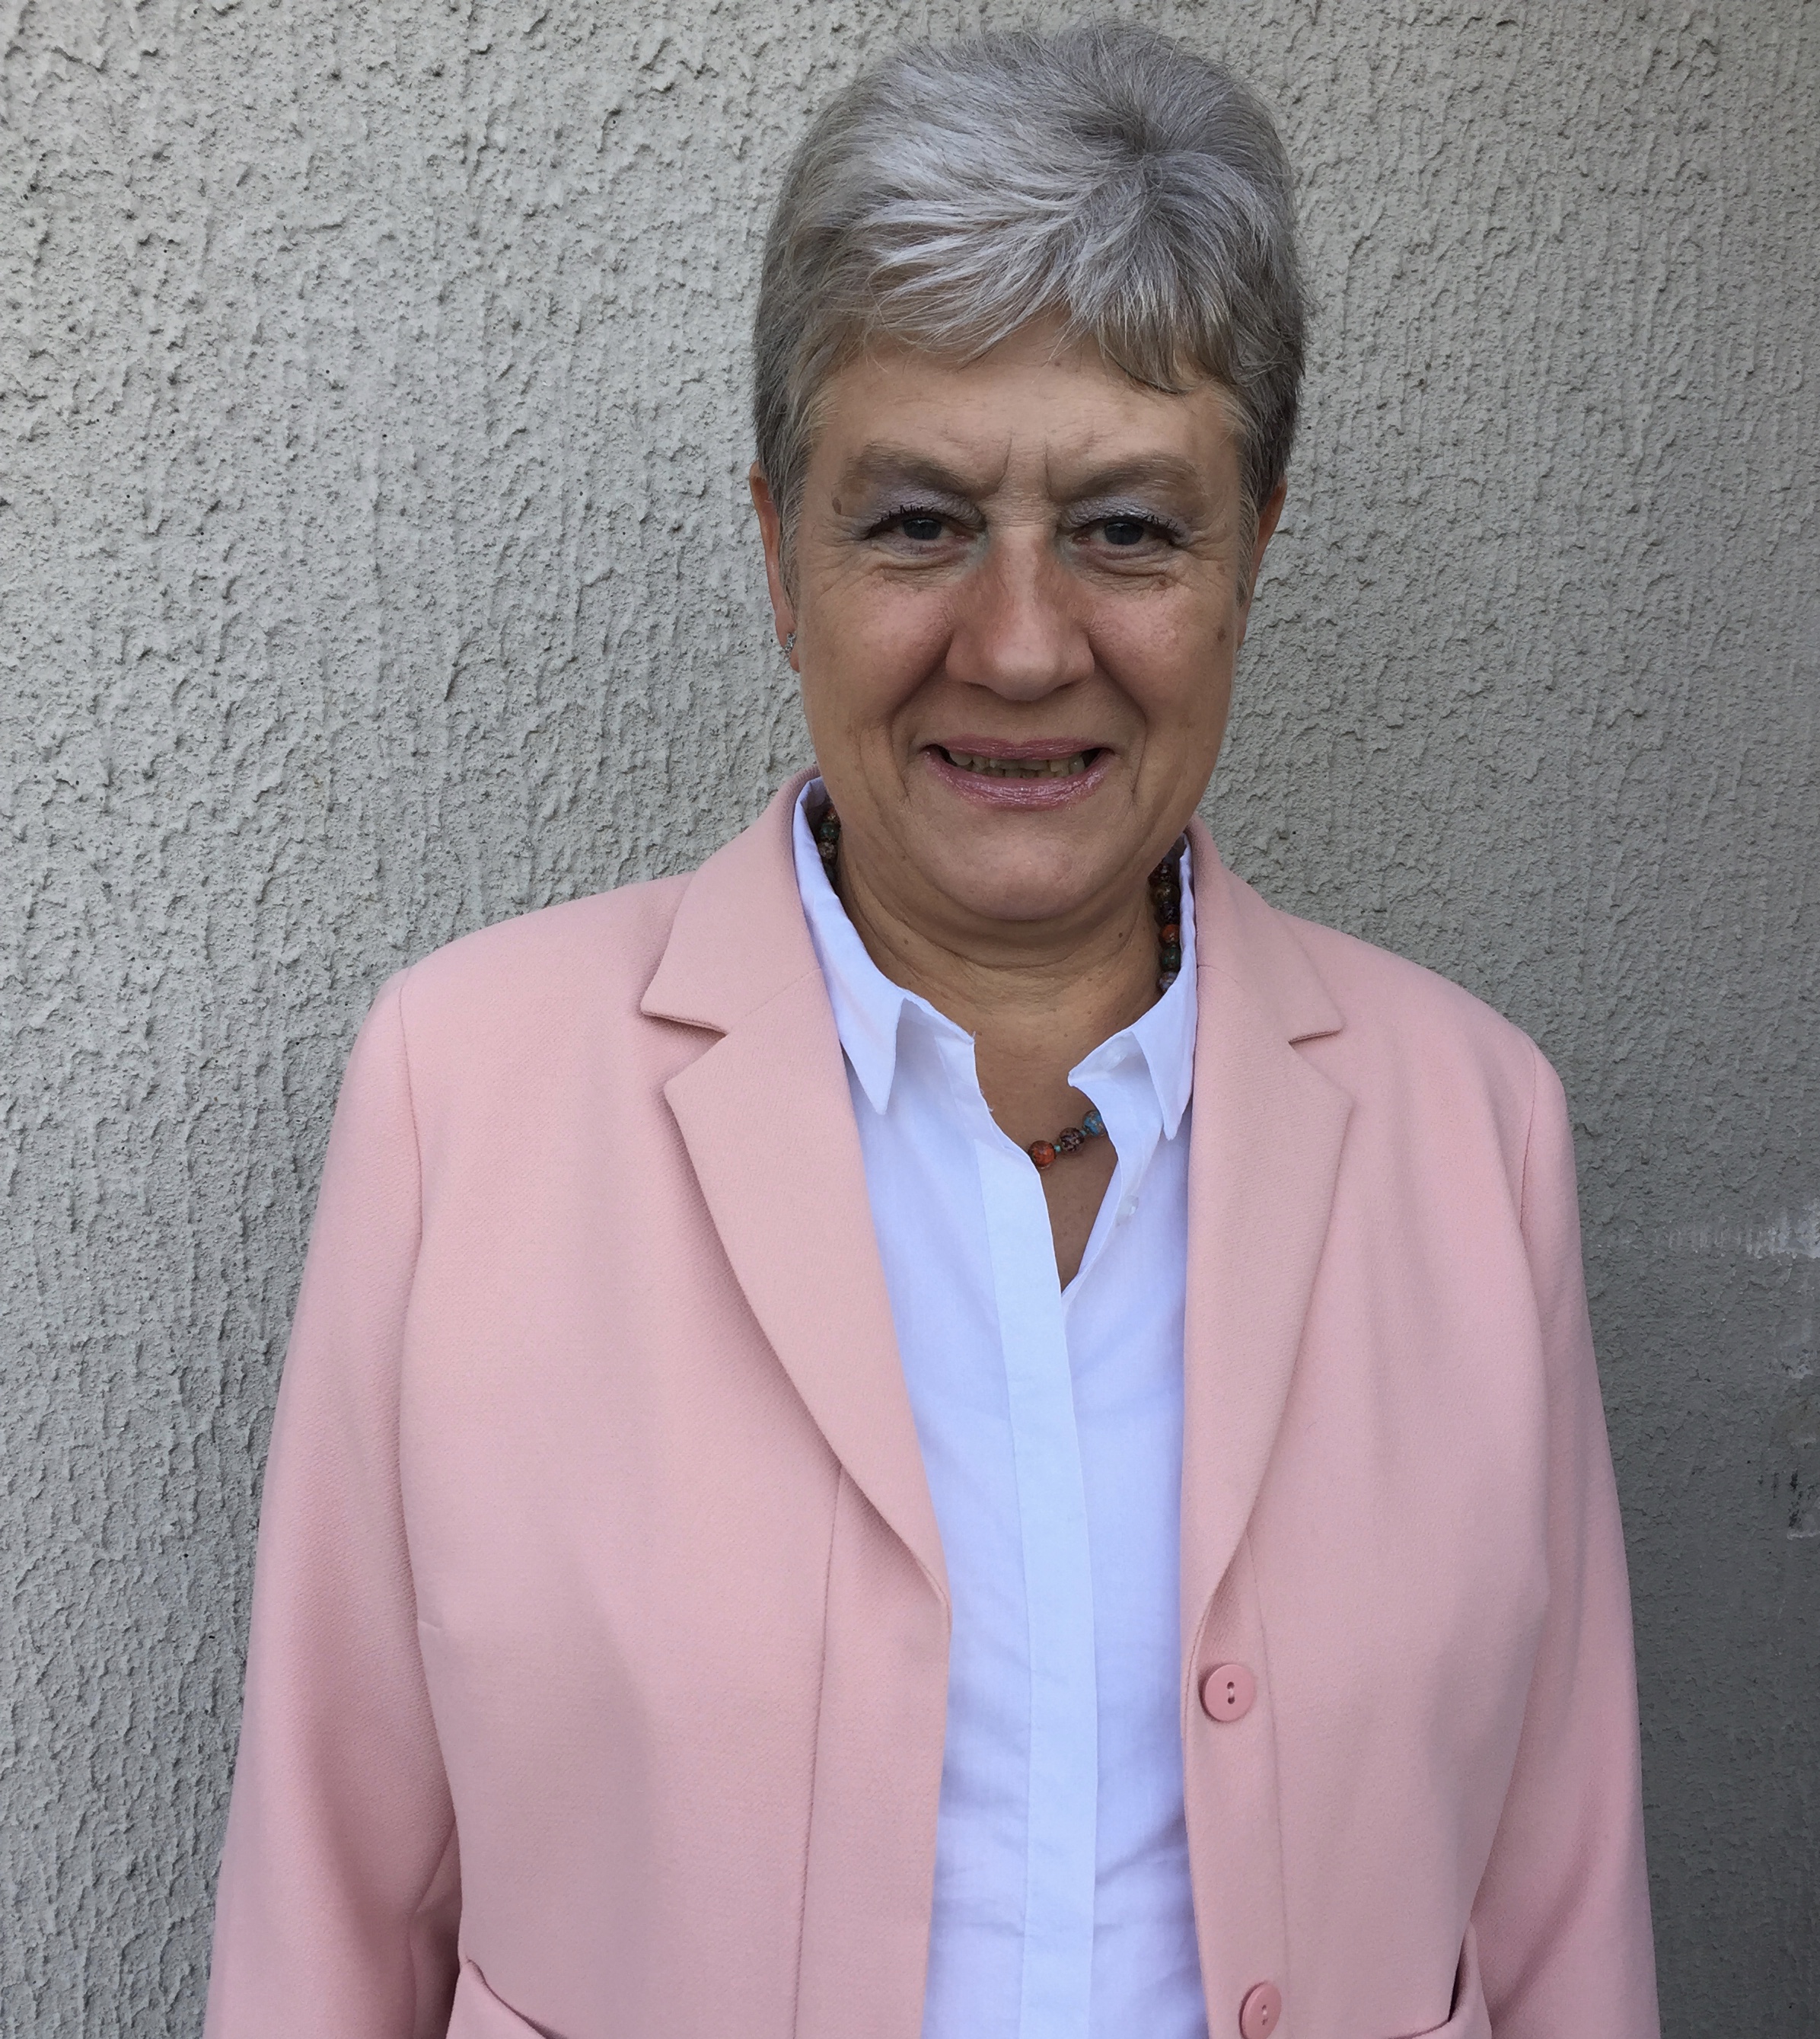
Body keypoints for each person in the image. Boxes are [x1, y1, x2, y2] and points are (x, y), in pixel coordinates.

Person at [202, 23, 1659, 2039]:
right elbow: (326, 1906)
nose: (1026, 642)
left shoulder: (1469, 1128)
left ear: (1252, 554)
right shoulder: (469, 1093)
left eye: (1129, 527)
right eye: (916, 522)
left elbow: (1564, 1911)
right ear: (778, 554)